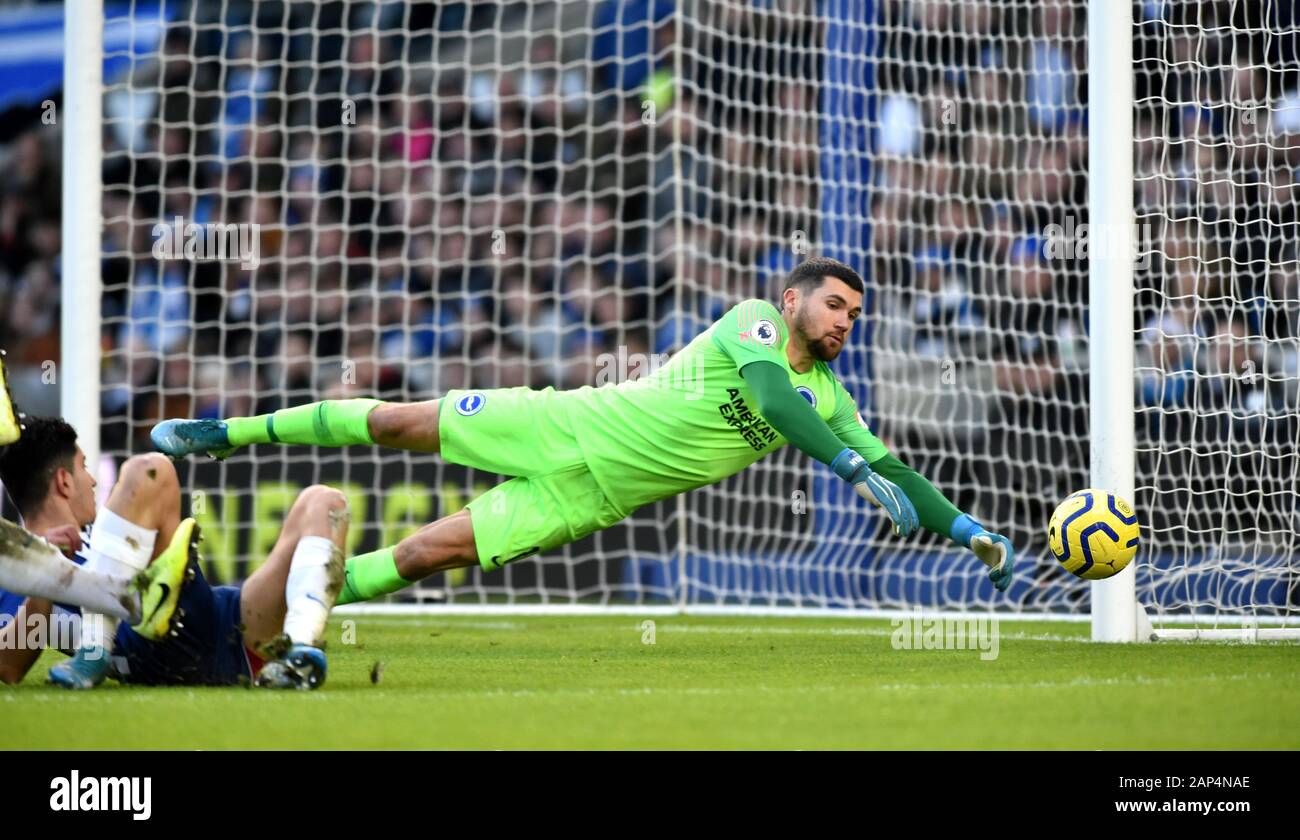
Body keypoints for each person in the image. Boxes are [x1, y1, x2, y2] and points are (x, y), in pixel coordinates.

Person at [152, 257, 1014, 606]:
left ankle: (246, 620)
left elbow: (890, 461)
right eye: (835, 305)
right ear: (793, 300)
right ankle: (225, 432)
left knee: (424, 556)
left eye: (856, 316)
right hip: (564, 423)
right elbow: (779, 407)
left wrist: (964, 527)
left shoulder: (834, 400)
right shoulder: (754, 325)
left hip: (590, 495)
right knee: (394, 422)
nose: (844, 323)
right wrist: (846, 471)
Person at [0, 416, 346, 690]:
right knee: (151, 468)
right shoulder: (11, 570)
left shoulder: (111, 538)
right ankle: (95, 648)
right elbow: (9, 667)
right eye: (84, 466)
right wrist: (43, 570)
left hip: (222, 623)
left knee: (328, 503)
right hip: (153, 644)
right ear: (64, 481)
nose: (92, 481)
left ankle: (299, 652)